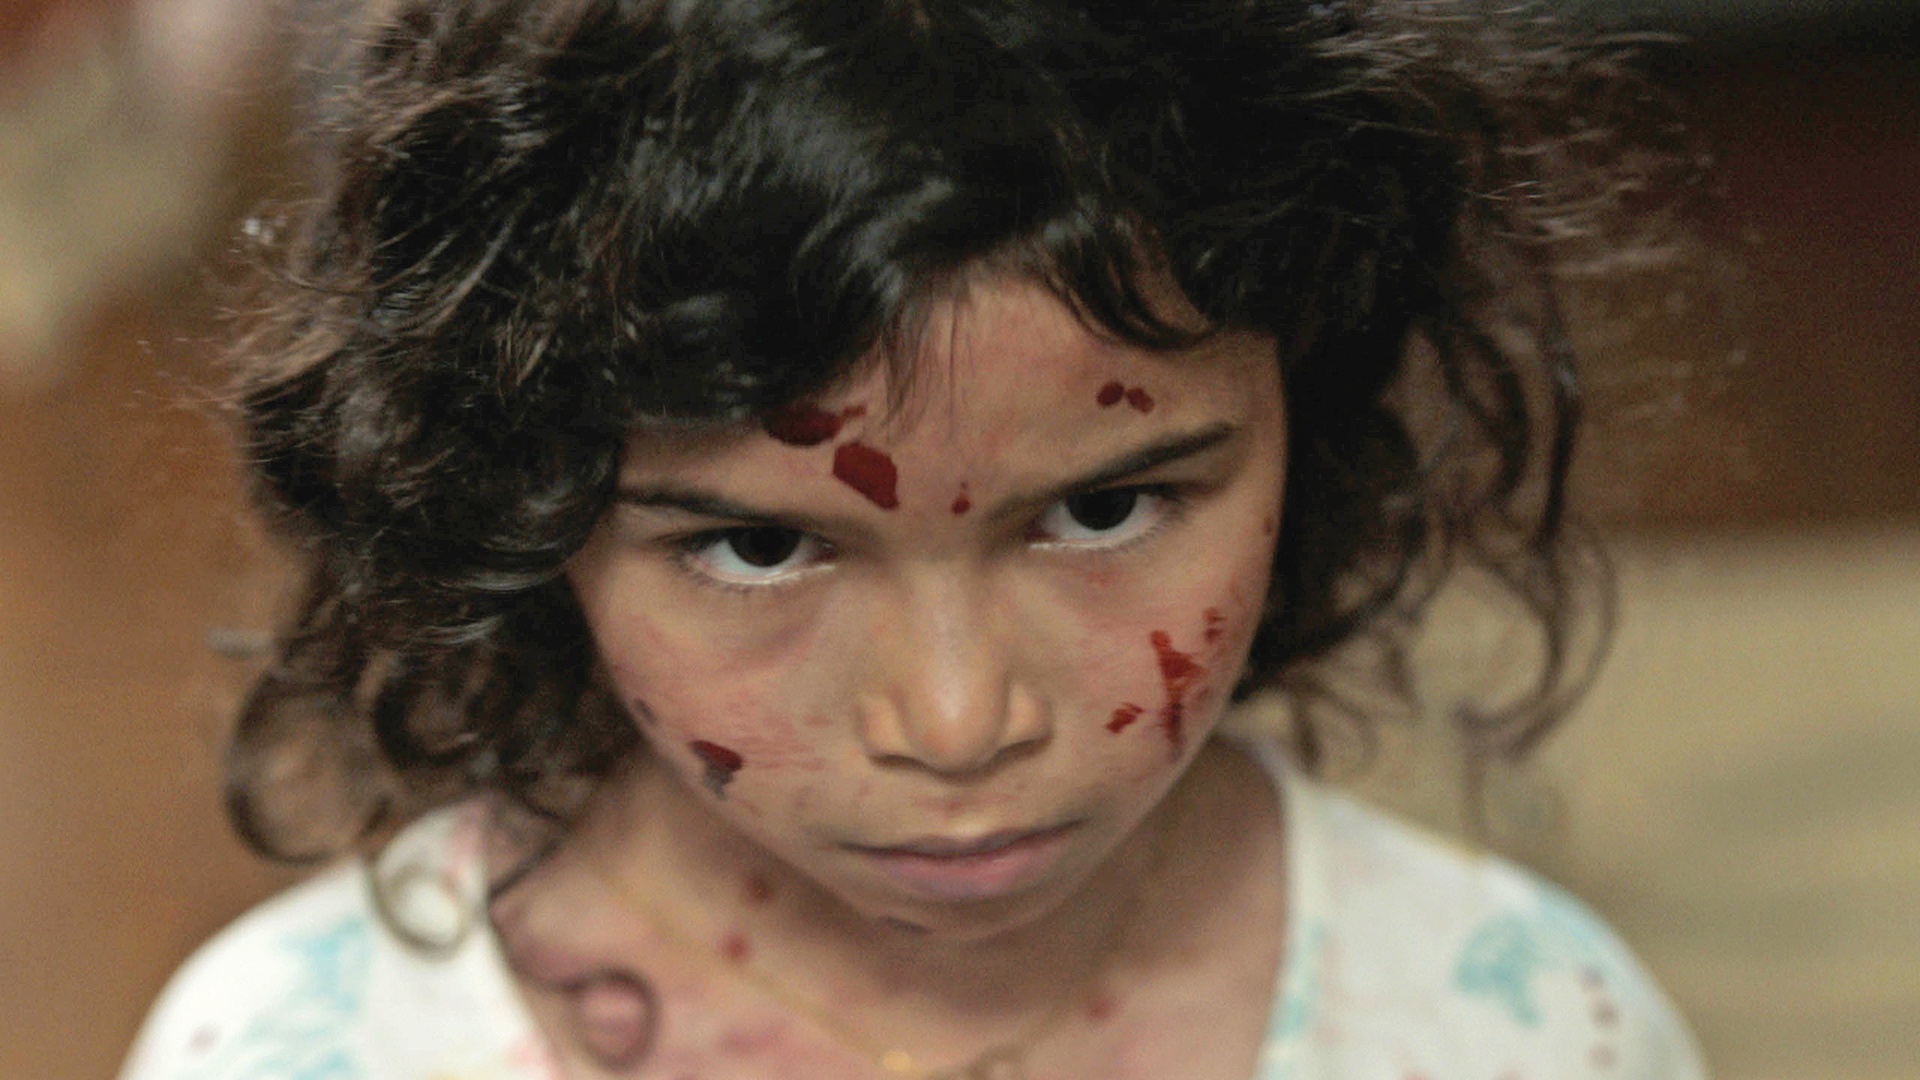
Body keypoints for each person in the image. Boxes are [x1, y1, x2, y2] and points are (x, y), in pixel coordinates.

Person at [120, 0, 1709, 1077]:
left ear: (1313, 405)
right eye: (755, 551)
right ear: (521, 505)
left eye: (1103, 509)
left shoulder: (1519, 1028)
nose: (956, 723)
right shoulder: (303, 1049)